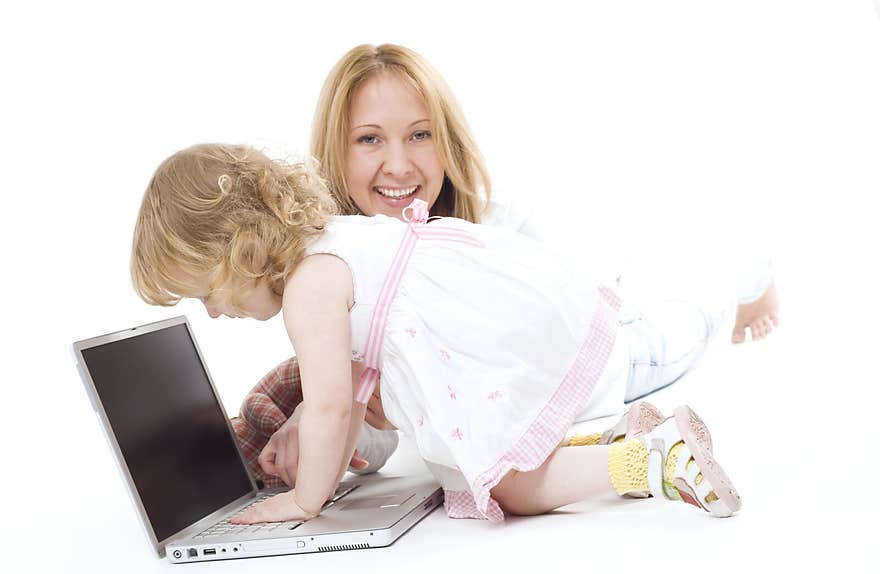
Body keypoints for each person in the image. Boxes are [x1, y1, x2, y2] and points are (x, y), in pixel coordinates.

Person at [229, 43, 779, 491]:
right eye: (369, 140)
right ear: (335, 152)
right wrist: (319, 430)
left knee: (691, 324)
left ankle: (746, 277)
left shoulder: (492, 229)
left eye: (420, 135)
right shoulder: (341, 272)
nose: (398, 164)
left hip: (613, 350)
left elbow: (572, 324)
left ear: (447, 142)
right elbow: (377, 426)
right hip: (547, 393)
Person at [131, 143, 748, 522]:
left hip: (483, 340)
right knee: (507, 456)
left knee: (508, 488)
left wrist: (304, 502)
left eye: (206, 292)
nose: (212, 312)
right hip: (504, 319)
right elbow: (344, 400)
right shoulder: (330, 244)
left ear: (238, 249)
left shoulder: (308, 289)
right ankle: (615, 441)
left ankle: (652, 461)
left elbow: (326, 404)